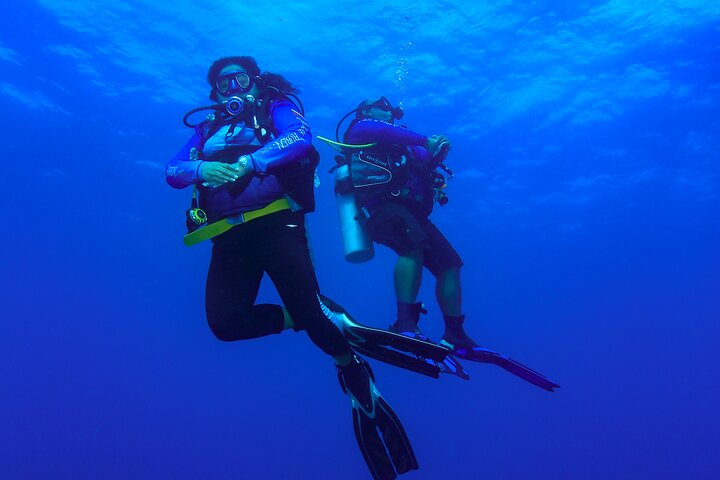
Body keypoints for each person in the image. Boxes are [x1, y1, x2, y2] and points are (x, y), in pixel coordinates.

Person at [166, 58, 425, 479]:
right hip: (227, 238)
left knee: (313, 318)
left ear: (255, 81)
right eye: (222, 81)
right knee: (225, 324)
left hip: (277, 223)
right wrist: (201, 167)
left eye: (240, 78)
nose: (232, 86)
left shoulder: (275, 106)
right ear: (214, 91)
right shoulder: (205, 128)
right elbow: (172, 170)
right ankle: (314, 311)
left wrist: (252, 162)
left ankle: (350, 368)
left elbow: (300, 137)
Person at [335, 97, 559, 391]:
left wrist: (436, 152)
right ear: (367, 110)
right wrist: (427, 140)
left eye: (390, 107)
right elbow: (401, 136)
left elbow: (422, 156)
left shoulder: (398, 142)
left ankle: (455, 335)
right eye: (383, 105)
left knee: (450, 264)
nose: (390, 109)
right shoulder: (362, 128)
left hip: (408, 212)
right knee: (411, 248)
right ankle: (405, 324)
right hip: (380, 209)